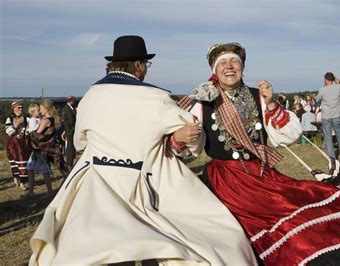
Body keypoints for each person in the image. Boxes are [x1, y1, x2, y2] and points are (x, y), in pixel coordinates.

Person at [29, 35, 256, 265]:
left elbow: (79, 143)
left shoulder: (90, 96)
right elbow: (193, 136)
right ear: (139, 66)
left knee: (108, 246)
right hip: (141, 183)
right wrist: (176, 138)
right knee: (169, 240)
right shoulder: (154, 97)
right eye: (145, 65)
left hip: (97, 185)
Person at [179, 42, 340, 265]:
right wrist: (182, 136)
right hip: (225, 181)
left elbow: (287, 136)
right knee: (235, 236)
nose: (229, 67)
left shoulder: (258, 96)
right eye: (223, 63)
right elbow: (192, 146)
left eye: (234, 62)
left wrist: (270, 105)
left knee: (295, 205)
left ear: (242, 68)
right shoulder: (202, 102)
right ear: (214, 70)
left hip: (260, 174)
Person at [25, 100, 60, 198]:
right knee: (30, 168)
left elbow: (36, 135)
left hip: (41, 148)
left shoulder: (46, 120)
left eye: (40, 109)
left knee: (43, 169)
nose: (39, 111)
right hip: (38, 148)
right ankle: (32, 191)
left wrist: (29, 133)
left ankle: (49, 191)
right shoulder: (39, 119)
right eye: (37, 110)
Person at [315, 72, 340, 162]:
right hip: (336, 116)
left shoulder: (322, 90)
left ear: (325, 79)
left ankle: (332, 159)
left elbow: (316, 99)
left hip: (326, 116)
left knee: (328, 138)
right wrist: (335, 79)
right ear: (333, 79)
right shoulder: (338, 87)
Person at [5, 101, 31, 190]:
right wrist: (16, 124)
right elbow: (8, 131)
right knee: (14, 163)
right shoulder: (9, 119)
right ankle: (16, 179)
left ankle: (23, 183)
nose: (20, 109)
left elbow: (31, 128)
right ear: (13, 109)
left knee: (23, 163)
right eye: (18, 108)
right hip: (13, 144)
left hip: (24, 143)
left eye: (21, 108)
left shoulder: (27, 119)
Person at [61, 96, 77, 171]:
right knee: (70, 149)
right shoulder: (68, 110)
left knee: (70, 148)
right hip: (70, 131)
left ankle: (69, 164)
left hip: (68, 131)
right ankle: (69, 164)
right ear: (71, 101)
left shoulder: (65, 108)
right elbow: (70, 121)